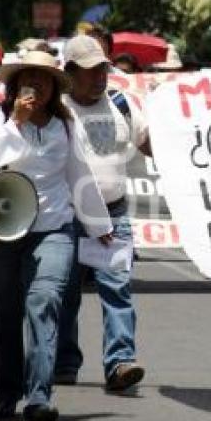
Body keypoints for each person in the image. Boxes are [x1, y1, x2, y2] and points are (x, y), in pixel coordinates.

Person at [0, 50, 112, 421]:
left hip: (53, 227)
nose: (36, 86)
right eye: (28, 79)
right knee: (5, 314)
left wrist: (100, 226)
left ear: (54, 88)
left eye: (44, 80)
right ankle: (7, 394)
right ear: (15, 85)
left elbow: (78, 173)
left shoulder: (64, 126)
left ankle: (39, 397)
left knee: (44, 301)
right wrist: (16, 121)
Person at [55, 35, 149, 391]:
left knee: (118, 290)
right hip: (66, 219)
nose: (100, 78)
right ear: (70, 72)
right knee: (65, 294)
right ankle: (64, 363)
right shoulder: (57, 110)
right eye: (91, 71)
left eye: (103, 70)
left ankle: (121, 362)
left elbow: (150, 143)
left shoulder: (121, 105)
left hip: (114, 217)